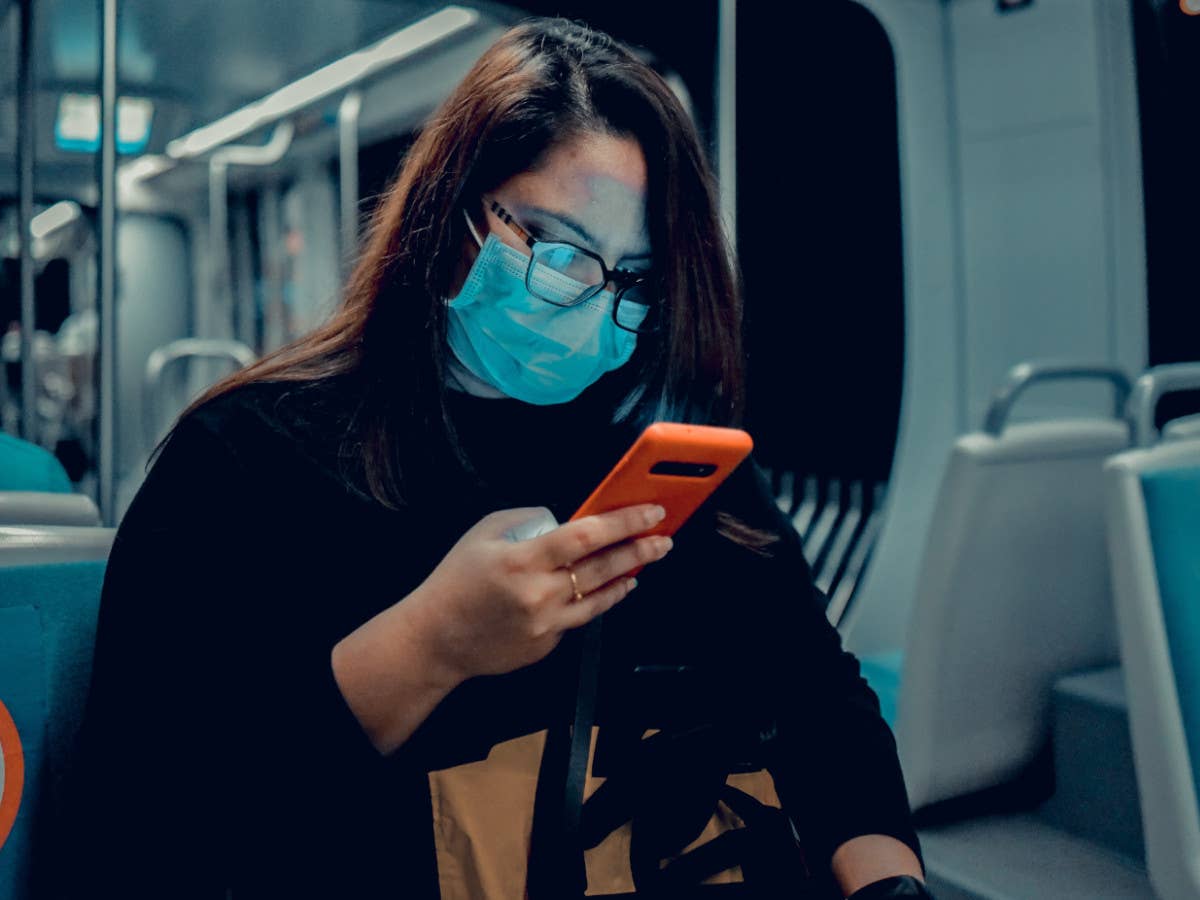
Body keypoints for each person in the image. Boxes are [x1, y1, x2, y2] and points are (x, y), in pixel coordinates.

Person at [60, 17, 929, 900]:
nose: (593, 300)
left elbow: (817, 693)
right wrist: (429, 646)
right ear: (451, 212)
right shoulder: (249, 457)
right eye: (556, 251)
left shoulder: (669, 450)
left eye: (634, 278)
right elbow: (152, 815)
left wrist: (887, 882)